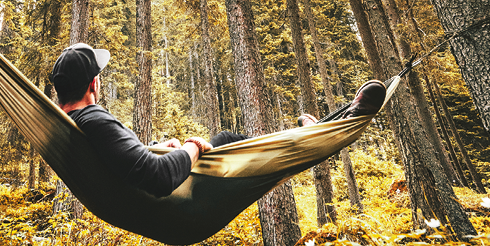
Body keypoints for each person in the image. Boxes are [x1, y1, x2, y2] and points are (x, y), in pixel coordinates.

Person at [50, 43, 387, 198]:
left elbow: (117, 161)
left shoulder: (70, 125)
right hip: (175, 203)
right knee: (227, 147)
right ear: (94, 84)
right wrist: (192, 148)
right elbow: (157, 178)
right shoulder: (94, 118)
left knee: (226, 139)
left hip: (137, 203)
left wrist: (154, 148)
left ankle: (307, 135)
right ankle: (321, 132)